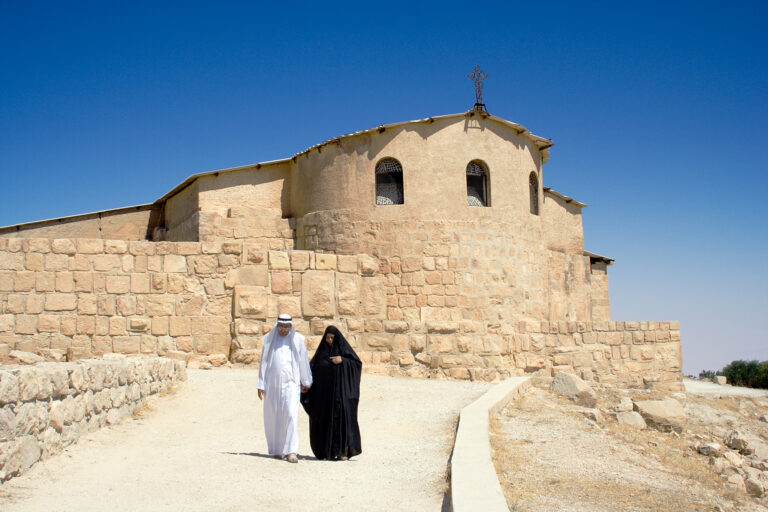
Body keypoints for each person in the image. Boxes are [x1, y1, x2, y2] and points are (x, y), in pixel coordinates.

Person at [301, 325, 362, 460]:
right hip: (324, 397)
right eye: (327, 338)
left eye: (332, 338)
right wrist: (305, 385)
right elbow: (311, 370)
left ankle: (342, 452)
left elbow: (357, 364)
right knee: (325, 422)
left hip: (340, 396)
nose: (329, 340)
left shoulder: (343, 352)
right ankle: (326, 452)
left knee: (341, 422)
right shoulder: (321, 354)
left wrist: (343, 360)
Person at [257, 314, 312, 463]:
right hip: (273, 384)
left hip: (291, 384)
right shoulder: (269, 340)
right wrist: (261, 383)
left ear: (290, 327)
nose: (283, 330)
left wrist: (306, 381)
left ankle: (292, 450)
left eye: (286, 327)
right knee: (275, 415)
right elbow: (264, 362)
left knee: (290, 414)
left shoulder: (297, 340)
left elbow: (303, 361)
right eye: (281, 326)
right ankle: (278, 449)